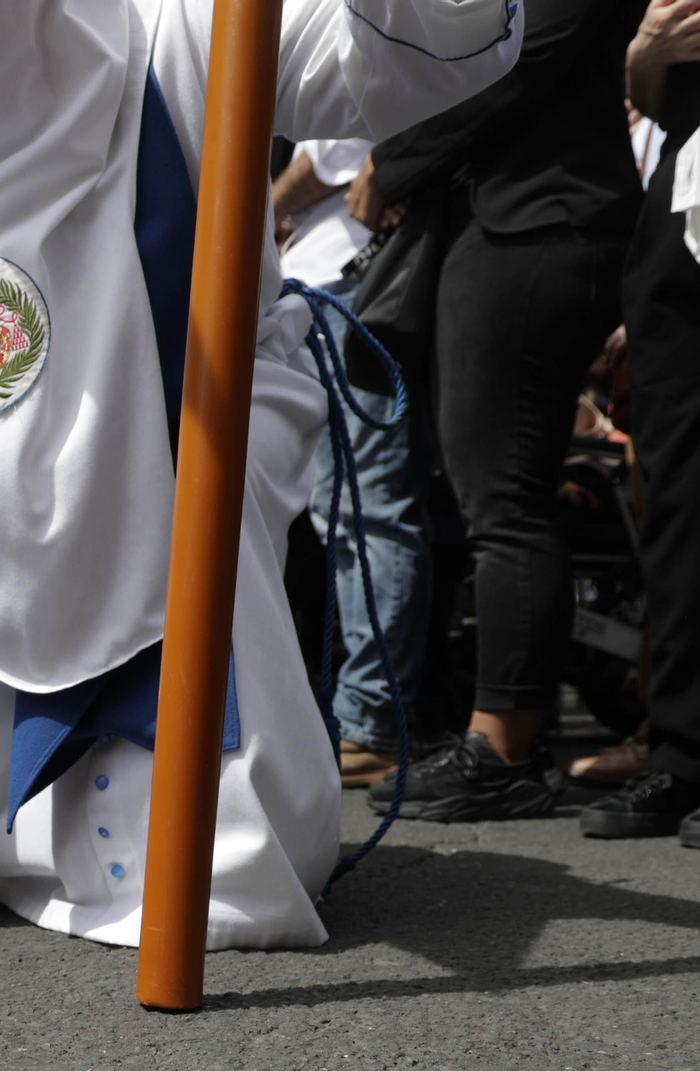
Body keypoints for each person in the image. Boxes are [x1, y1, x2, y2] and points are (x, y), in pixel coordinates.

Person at [0, 0, 519, 950]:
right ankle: (9, 834)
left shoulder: (182, 30)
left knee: (215, 831)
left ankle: (195, 846)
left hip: (183, 455)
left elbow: (409, 57)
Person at [350, 0, 645, 822]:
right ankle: (503, 735)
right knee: (498, 497)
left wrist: (394, 161)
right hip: (523, 218)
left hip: (538, 222)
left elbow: (510, 62)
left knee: (504, 501)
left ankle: (504, 747)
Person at [275, 139, 433, 789]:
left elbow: (337, 151)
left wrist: (265, 204)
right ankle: (363, 714)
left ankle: (373, 721)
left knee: (366, 506)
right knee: (341, 510)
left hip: (351, 273)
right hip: (324, 278)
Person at [580, 0, 700, 845]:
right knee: (677, 507)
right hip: (679, 214)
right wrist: (647, 52)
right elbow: (655, 96)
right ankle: (684, 751)